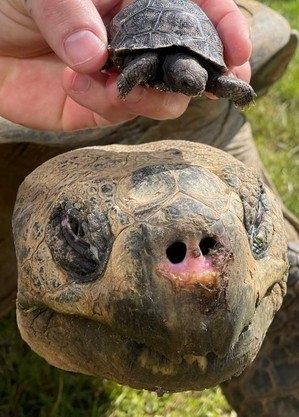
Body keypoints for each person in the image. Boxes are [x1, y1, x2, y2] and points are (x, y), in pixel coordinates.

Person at [0, 0, 251, 131]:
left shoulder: (204, 76)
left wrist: (241, 93)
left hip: (197, 48)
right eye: (187, 83)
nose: (196, 88)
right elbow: (146, 61)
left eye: (197, 82)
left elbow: (214, 81)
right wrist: (125, 82)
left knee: (221, 82)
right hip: (142, 45)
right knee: (148, 61)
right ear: (175, 75)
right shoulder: (150, 60)